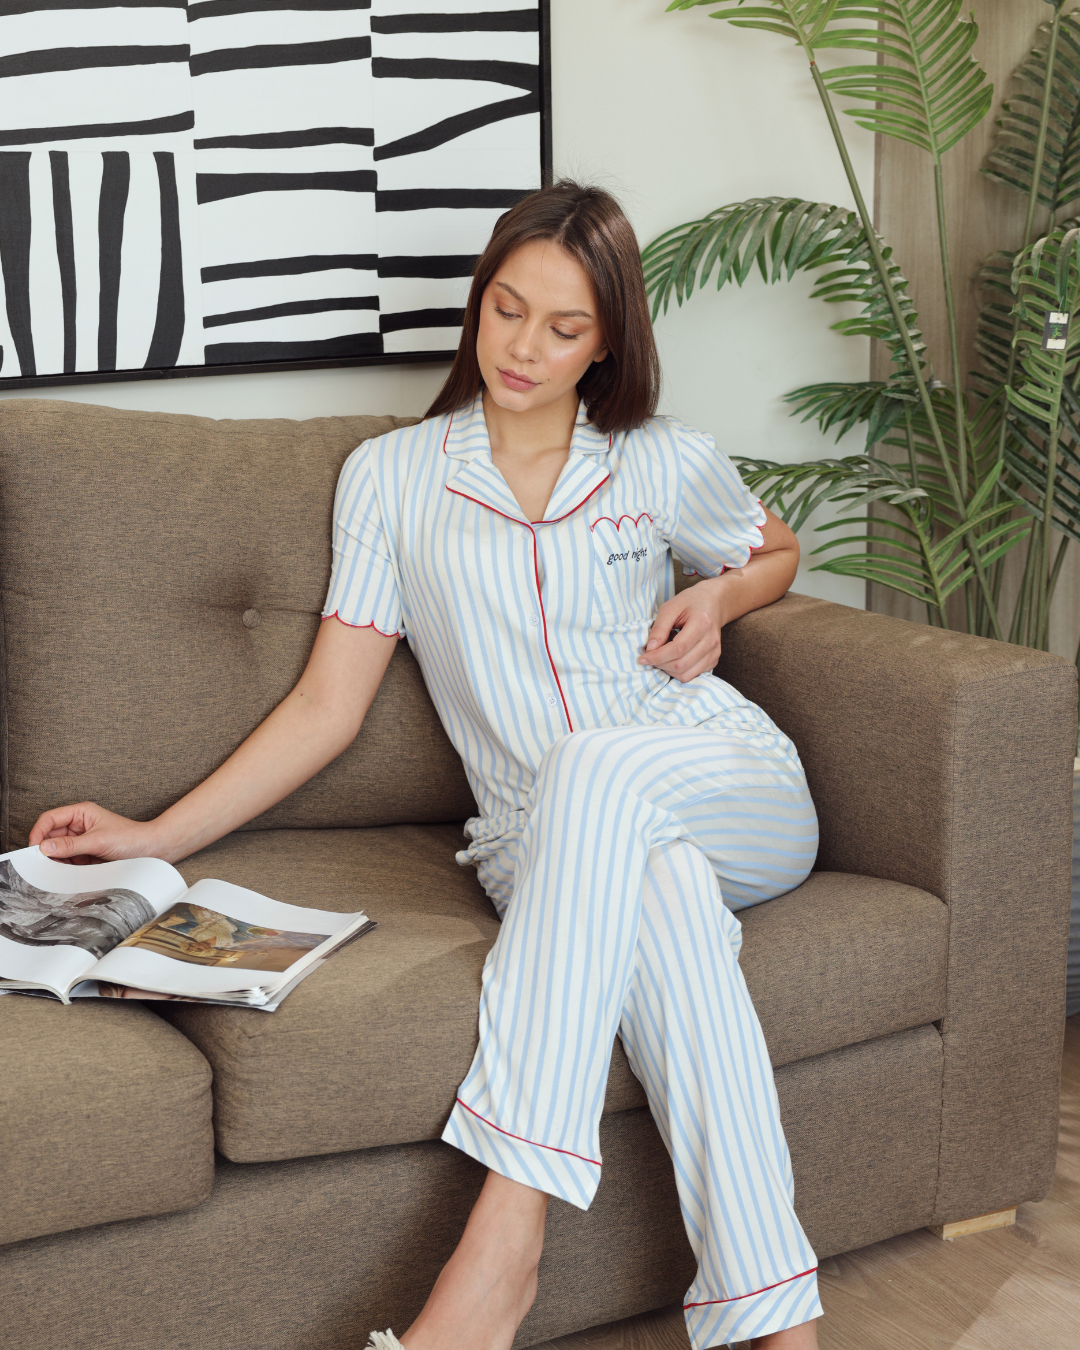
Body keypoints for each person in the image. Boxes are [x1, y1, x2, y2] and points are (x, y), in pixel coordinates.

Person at [29, 181, 822, 1350]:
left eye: (565, 330)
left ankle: (502, 1254)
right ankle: (782, 1332)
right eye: (507, 310)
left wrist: (721, 591)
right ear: (478, 299)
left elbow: (780, 550)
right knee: (654, 898)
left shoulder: (661, 461)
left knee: (604, 767)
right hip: (546, 838)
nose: (525, 348)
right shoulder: (395, 479)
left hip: (722, 777)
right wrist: (155, 838)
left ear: (609, 342)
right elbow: (324, 707)